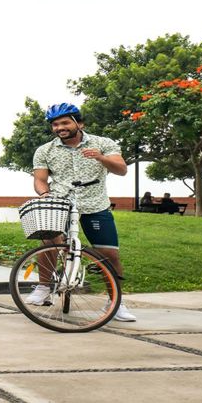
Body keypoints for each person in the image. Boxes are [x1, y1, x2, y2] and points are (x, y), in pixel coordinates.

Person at [30, 103, 135, 322]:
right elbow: (40, 180)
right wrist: (44, 195)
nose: (60, 127)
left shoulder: (103, 143)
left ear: (79, 123)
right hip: (60, 203)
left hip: (95, 205)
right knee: (49, 241)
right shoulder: (45, 150)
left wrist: (101, 158)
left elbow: (122, 169)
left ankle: (116, 301)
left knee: (110, 254)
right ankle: (43, 287)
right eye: (55, 124)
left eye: (65, 122)